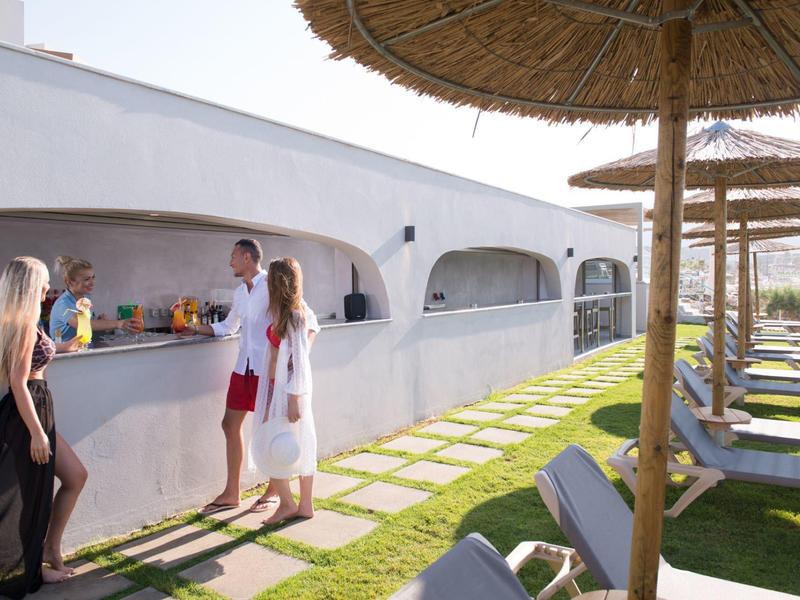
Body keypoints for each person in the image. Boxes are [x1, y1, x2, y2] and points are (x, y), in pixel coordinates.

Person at [187, 240, 318, 515]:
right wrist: (194, 329)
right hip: (242, 368)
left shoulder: (273, 284)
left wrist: (293, 360)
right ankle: (232, 493)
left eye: (233, 255)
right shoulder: (238, 293)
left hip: (267, 374)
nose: (230, 261)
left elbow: (310, 321)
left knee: (270, 432)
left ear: (247, 257)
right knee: (229, 425)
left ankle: (274, 491)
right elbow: (228, 326)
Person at [0, 257, 87, 598]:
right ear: (28, 286)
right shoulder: (21, 322)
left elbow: (35, 360)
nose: (48, 289)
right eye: (42, 283)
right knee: (29, 495)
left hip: (37, 409)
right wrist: (37, 432)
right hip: (29, 412)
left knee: (75, 476)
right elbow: (19, 382)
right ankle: (33, 568)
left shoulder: (25, 320)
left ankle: (50, 549)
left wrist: (62, 346)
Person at [253, 257, 317, 524]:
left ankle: (288, 504)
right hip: (283, 388)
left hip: (289, 391)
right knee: (300, 441)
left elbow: (300, 362)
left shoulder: (293, 315)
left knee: (268, 442)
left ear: (277, 282)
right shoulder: (287, 312)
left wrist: (293, 398)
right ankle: (304, 505)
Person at [49, 256, 140, 342]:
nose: (92, 283)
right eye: (87, 279)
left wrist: (100, 321)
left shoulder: (86, 297)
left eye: (93, 277)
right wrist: (119, 323)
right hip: (64, 354)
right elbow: (82, 325)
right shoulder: (63, 304)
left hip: (82, 347)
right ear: (70, 281)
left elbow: (87, 323)